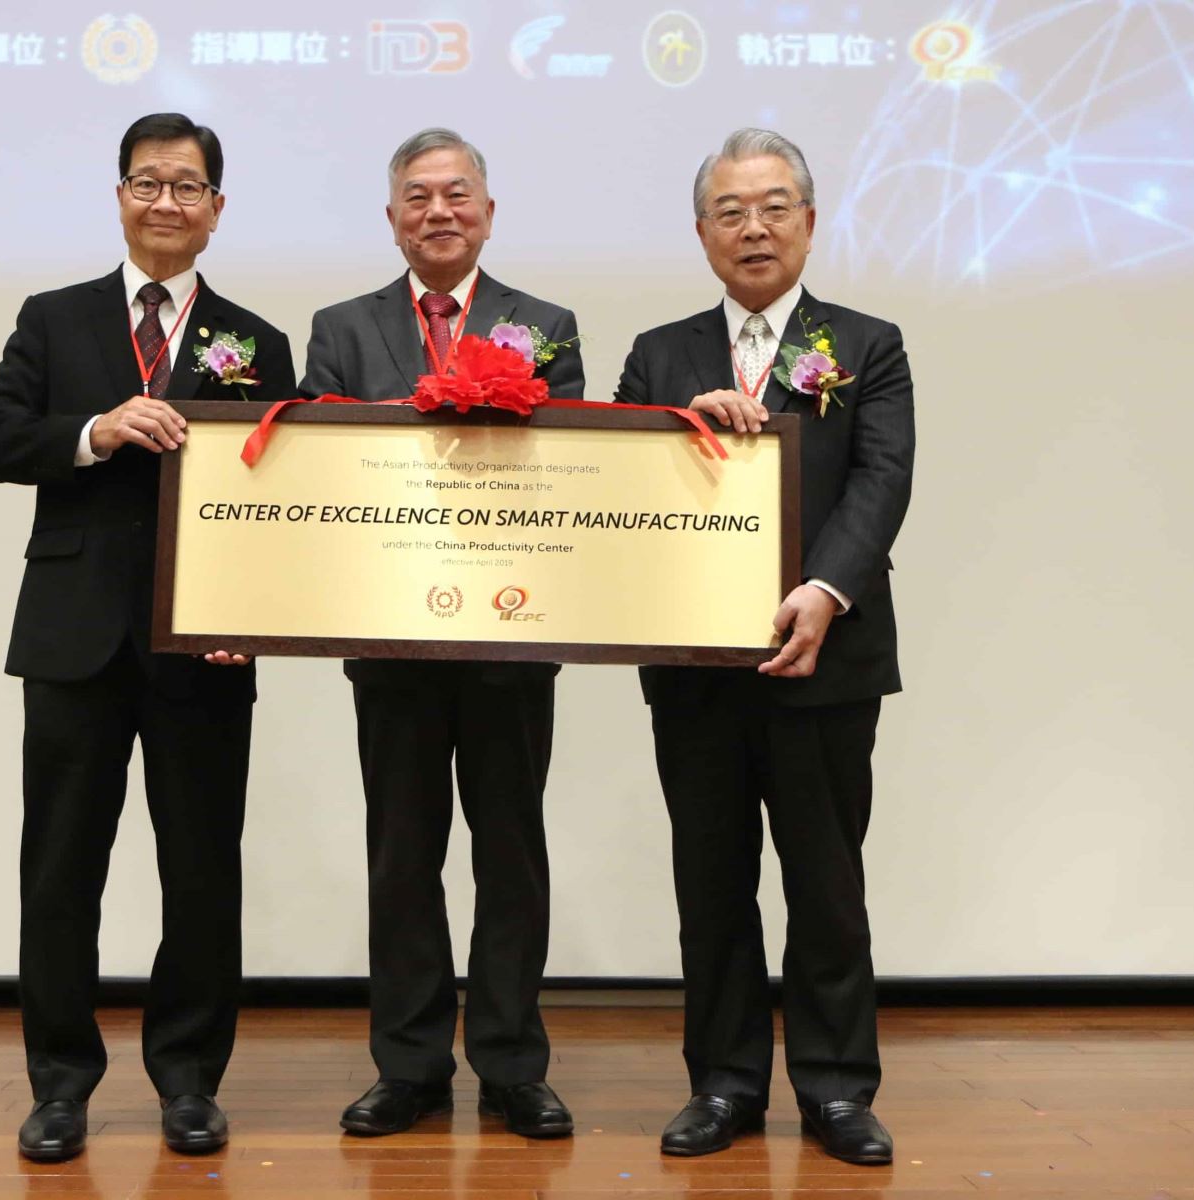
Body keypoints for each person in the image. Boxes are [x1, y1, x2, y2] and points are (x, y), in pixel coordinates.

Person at [0, 112, 296, 1162]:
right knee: (60, 868)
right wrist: (94, 432)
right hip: (72, 638)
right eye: (148, 182)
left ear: (216, 210)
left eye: (187, 186)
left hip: (202, 644)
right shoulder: (54, 319)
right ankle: (59, 1084)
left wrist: (254, 614)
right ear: (118, 197)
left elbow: (282, 495)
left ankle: (189, 1081)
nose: (167, 202)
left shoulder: (258, 341)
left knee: (202, 869)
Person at [615, 128, 914, 1165]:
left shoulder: (865, 344)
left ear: (810, 221)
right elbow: (615, 486)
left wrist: (823, 591)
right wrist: (674, 426)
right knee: (710, 879)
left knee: (825, 882)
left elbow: (879, 483)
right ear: (700, 233)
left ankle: (835, 1089)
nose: (753, 228)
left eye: (773, 206)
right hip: (696, 668)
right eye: (731, 211)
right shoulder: (658, 355)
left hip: (825, 657)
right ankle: (725, 1083)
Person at [299, 128, 583, 1139]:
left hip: (509, 634)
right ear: (391, 220)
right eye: (416, 197)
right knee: (402, 851)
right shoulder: (340, 326)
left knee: (509, 851)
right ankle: (409, 1065)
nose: (437, 211)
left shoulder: (543, 324)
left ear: (487, 212)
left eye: (456, 193)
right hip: (390, 638)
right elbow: (324, 466)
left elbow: (559, 467)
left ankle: (511, 1065)